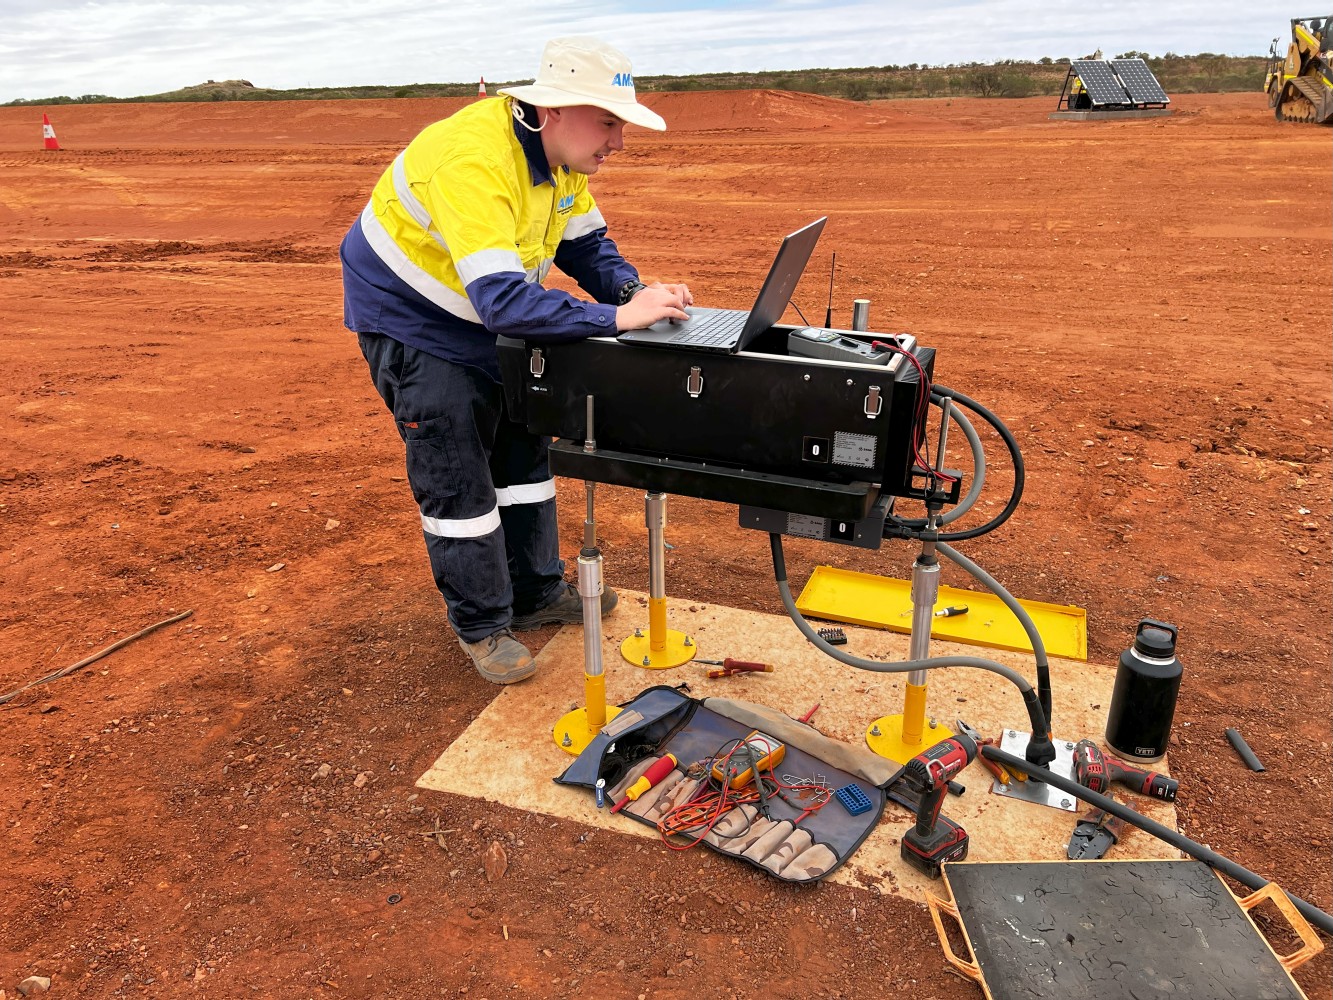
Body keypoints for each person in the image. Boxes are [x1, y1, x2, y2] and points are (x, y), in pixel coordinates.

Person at [340, 37, 692, 685]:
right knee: (457, 471)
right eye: (607, 121)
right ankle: (481, 625)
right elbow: (503, 302)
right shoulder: (473, 159)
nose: (618, 140)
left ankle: (533, 592)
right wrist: (617, 320)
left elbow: (588, 248)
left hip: (486, 311)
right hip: (415, 320)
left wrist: (631, 293)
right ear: (553, 109)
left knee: (524, 448)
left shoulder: (562, 162)